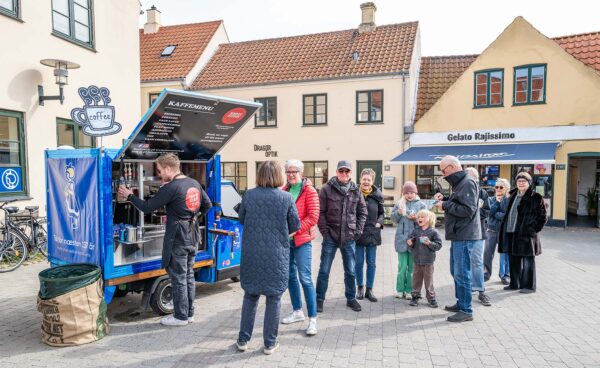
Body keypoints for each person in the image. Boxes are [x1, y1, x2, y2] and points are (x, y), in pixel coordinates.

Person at [118, 153, 212, 326]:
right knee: (189, 276)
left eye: (160, 171)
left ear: (168, 168)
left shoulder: (172, 188)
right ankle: (189, 314)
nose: (160, 174)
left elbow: (147, 208)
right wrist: (193, 218)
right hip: (193, 235)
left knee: (178, 277)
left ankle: (180, 317)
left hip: (178, 238)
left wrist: (130, 196)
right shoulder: (194, 183)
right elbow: (207, 205)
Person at [235, 161, 301, 355]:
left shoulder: (249, 195)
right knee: (274, 298)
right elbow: (295, 226)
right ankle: (269, 343)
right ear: (279, 176)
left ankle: (243, 340)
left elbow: (242, 219)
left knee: (250, 296)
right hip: (276, 256)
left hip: (252, 254)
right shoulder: (287, 198)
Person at [316, 160, 367, 313]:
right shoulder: (326, 189)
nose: (344, 174)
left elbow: (362, 212)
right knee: (324, 270)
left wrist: (357, 232)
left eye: (347, 171)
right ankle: (319, 299)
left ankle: (351, 298)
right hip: (330, 236)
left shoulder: (356, 190)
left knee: (350, 271)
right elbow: (321, 213)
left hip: (349, 237)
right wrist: (325, 232)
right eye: (341, 171)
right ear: (337, 172)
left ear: (351, 173)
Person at [433, 155, 481, 323]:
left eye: (443, 170)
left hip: (464, 235)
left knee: (462, 273)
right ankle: (461, 303)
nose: (443, 174)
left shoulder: (467, 182)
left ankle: (466, 310)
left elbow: (468, 210)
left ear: (452, 167)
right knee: (456, 271)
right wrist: (445, 200)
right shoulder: (462, 183)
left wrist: (445, 205)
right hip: (459, 235)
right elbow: (460, 203)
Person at [280, 160, 320, 336]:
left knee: (305, 278)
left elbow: (313, 217)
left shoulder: (309, 191)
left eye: (294, 171)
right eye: (288, 171)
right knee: (290, 276)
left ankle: (313, 319)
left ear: (301, 172)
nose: (291, 174)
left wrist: (294, 231)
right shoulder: (284, 190)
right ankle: (297, 311)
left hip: (302, 240)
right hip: (286, 241)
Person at [498, 172, 546, 293]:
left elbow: (543, 216)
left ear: (529, 183)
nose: (521, 183)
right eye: (519, 181)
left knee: (528, 261)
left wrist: (532, 230)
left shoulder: (536, 197)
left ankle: (529, 286)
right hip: (511, 232)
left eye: (524, 181)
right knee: (514, 260)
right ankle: (515, 284)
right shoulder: (513, 195)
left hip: (526, 235)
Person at [391, 181, 426, 300]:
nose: (410, 195)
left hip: (415, 241)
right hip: (401, 240)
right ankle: (400, 290)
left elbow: (426, 221)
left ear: (416, 193)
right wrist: (399, 213)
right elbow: (393, 219)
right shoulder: (399, 203)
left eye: (412, 192)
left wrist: (416, 219)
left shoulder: (421, 205)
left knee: (412, 268)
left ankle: (410, 290)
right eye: (407, 193)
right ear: (403, 193)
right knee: (402, 267)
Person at [354, 168, 384, 303]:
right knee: (359, 263)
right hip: (358, 233)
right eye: (364, 179)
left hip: (373, 232)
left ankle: (369, 289)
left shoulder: (377, 195)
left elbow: (382, 214)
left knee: (371, 263)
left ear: (372, 181)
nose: (366, 182)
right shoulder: (354, 194)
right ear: (360, 180)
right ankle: (360, 287)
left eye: (369, 179)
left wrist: (379, 222)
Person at [465, 167, 491, 307]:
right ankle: (467, 289)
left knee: (476, 262)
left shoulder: (482, 193)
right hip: (463, 233)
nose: (470, 181)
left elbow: (486, 211)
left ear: (477, 179)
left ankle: (481, 291)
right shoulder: (460, 190)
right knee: (464, 262)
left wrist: (472, 215)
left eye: (473, 178)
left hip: (478, 232)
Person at [406, 210, 443, 308]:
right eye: (418, 217)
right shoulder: (415, 231)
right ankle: (415, 296)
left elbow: (439, 245)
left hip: (428, 261)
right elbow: (411, 243)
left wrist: (429, 243)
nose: (419, 219)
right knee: (416, 280)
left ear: (429, 219)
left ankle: (431, 298)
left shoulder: (433, 232)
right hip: (417, 260)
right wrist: (410, 243)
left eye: (422, 217)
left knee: (428, 281)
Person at [484, 178, 511, 285]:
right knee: (487, 253)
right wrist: (497, 203)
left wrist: (497, 213)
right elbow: (490, 213)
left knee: (505, 254)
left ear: (506, 188)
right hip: (491, 230)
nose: (498, 189)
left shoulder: (509, 200)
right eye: (497, 187)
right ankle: (486, 274)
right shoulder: (491, 200)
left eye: (501, 187)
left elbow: (507, 215)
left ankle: (505, 275)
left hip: (504, 231)